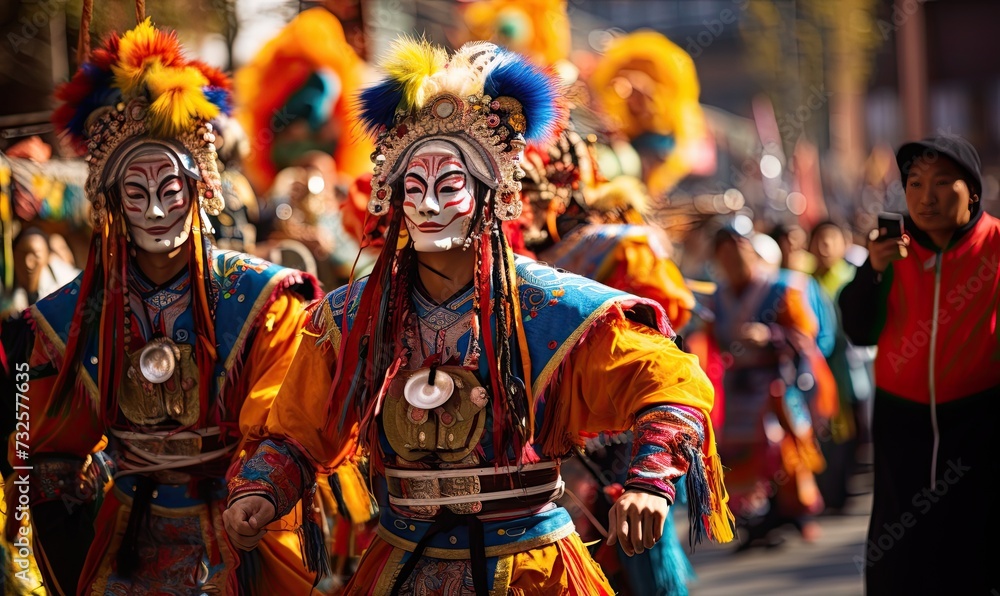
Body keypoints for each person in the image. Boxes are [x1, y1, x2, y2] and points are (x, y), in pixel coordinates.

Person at [224, 39, 734, 594]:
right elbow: (298, 432)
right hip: (402, 564)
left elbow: (671, 383)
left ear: (491, 193)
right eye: (413, 186)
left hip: (529, 564)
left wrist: (649, 483)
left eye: (449, 185)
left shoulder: (553, 307)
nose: (427, 203)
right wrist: (260, 490)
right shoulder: (350, 318)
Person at [0, 20, 323, 594]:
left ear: (200, 190)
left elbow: (283, 420)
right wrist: (54, 498)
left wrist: (257, 491)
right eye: (135, 192)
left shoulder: (263, 299)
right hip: (123, 535)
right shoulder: (68, 317)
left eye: (169, 190)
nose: (153, 210)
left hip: (233, 527)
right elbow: (45, 444)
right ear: (111, 200)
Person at [838, 134, 1000, 594]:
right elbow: (859, 331)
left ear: (972, 190)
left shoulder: (996, 245)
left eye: (943, 183)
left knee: (976, 548)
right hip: (901, 421)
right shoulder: (890, 248)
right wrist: (871, 272)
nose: (926, 197)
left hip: (979, 420)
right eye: (914, 183)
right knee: (901, 553)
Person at [710, 226, 831, 548]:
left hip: (777, 384)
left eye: (737, 253)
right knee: (742, 456)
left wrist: (770, 335)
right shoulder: (718, 297)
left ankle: (798, 514)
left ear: (751, 252)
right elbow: (710, 340)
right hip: (739, 387)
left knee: (785, 452)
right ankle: (754, 521)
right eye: (724, 256)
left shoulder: (780, 288)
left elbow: (806, 335)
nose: (733, 262)